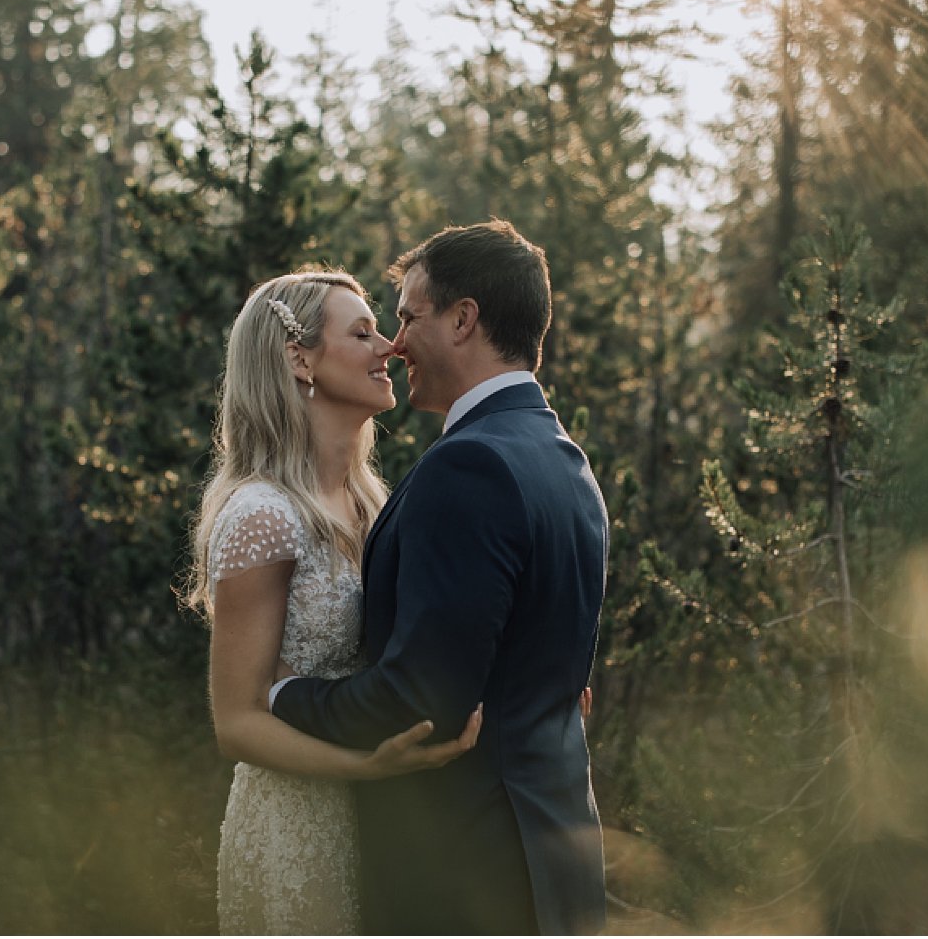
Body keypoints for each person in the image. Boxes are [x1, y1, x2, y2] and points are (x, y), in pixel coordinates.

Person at [271, 220, 610, 935]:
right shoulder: (563, 457)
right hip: (558, 861)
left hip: (471, 874)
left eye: (407, 317)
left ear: (463, 320)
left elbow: (420, 698)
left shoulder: (470, 466)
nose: (395, 343)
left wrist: (283, 697)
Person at [185, 267, 482, 935]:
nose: (391, 347)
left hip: (387, 815)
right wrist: (364, 766)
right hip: (299, 827)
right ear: (299, 358)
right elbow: (236, 720)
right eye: (363, 331)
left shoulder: (375, 503)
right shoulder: (263, 515)